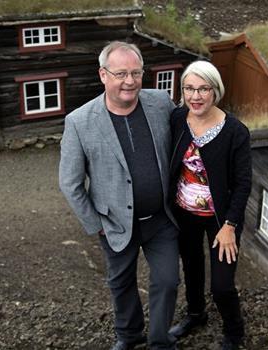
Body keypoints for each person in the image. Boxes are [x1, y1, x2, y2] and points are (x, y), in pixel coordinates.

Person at [59, 41, 179, 350]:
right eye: (121, 73)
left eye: (136, 73)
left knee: (167, 281)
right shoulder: (79, 122)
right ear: (103, 75)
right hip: (114, 223)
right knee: (121, 284)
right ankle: (129, 336)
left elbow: (187, 137)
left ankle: (160, 342)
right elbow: (69, 182)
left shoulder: (161, 102)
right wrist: (95, 223)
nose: (130, 81)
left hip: (161, 219)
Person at [168, 61, 252, 350]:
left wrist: (230, 226)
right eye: (189, 88)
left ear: (216, 91)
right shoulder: (178, 119)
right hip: (184, 213)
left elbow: (243, 184)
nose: (196, 96)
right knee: (191, 268)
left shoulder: (235, 132)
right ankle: (195, 315)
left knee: (222, 285)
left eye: (204, 88)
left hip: (221, 219)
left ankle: (234, 333)